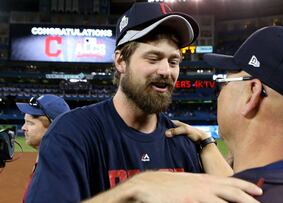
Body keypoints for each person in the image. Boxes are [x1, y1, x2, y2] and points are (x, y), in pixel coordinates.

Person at [25, 2, 262, 203]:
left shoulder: (183, 143)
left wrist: (208, 145)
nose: (165, 71)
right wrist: (133, 189)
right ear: (120, 61)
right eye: (153, 58)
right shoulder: (72, 133)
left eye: (173, 61)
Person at [190, 25, 283, 202]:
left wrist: (147, 182)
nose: (221, 91)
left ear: (253, 93)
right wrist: (207, 145)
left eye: (225, 81)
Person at [16, 94, 70, 201]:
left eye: (30, 123)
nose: (23, 128)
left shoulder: (55, 172)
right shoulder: (47, 160)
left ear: (54, 126)